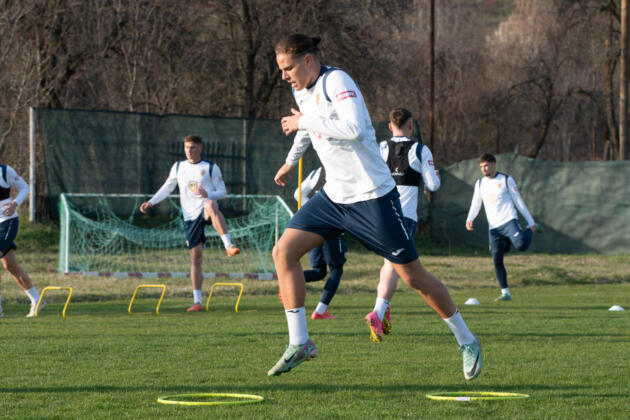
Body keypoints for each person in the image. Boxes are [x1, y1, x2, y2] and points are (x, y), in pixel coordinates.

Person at [269, 34, 482, 381]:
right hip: (334, 197)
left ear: (308, 60)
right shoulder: (301, 90)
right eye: (281, 69)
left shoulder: (337, 81)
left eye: (288, 68)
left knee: (412, 276)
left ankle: (467, 339)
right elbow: (307, 127)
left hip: (372, 197)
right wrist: (290, 161)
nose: (283, 76)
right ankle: (300, 342)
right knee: (283, 252)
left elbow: (353, 129)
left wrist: (302, 122)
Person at [139, 134, 240, 312]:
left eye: (192, 147)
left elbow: (222, 192)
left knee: (211, 205)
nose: (189, 151)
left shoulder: (210, 167)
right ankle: (197, 301)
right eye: (186, 147)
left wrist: (208, 194)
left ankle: (228, 245)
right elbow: (167, 187)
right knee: (196, 257)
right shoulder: (179, 167)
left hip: (205, 208)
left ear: (200, 148)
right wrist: (151, 202)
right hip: (189, 215)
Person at [365, 108, 441, 341]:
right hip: (404, 217)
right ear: (411, 125)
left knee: (389, 264)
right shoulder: (420, 149)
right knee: (394, 266)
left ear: (390, 126)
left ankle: (384, 310)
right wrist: (435, 176)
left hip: (380, 214)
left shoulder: (380, 147)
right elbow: (433, 185)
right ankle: (378, 312)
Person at [466, 153, 536, 302]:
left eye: (486, 166)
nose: (484, 169)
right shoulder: (480, 183)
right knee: (496, 258)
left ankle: (529, 230)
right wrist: (470, 218)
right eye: (481, 167)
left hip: (509, 220)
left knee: (522, 245)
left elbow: (518, 201)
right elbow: (476, 204)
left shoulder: (506, 180)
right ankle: (505, 293)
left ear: (494, 164)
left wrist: (530, 222)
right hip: (494, 227)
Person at [293, 166, 346, 320]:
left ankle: (287, 283)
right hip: (334, 227)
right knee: (336, 269)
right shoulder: (346, 168)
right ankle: (320, 311)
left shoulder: (318, 170)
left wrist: (314, 213)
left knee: (319, 272)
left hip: (315, 228)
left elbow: (298, 194)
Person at [0, 163, 45, 317]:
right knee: (10, 265)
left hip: (7, 222)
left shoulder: (5, 171)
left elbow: (25, 188)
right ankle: (37, 300)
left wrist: (14, 204)